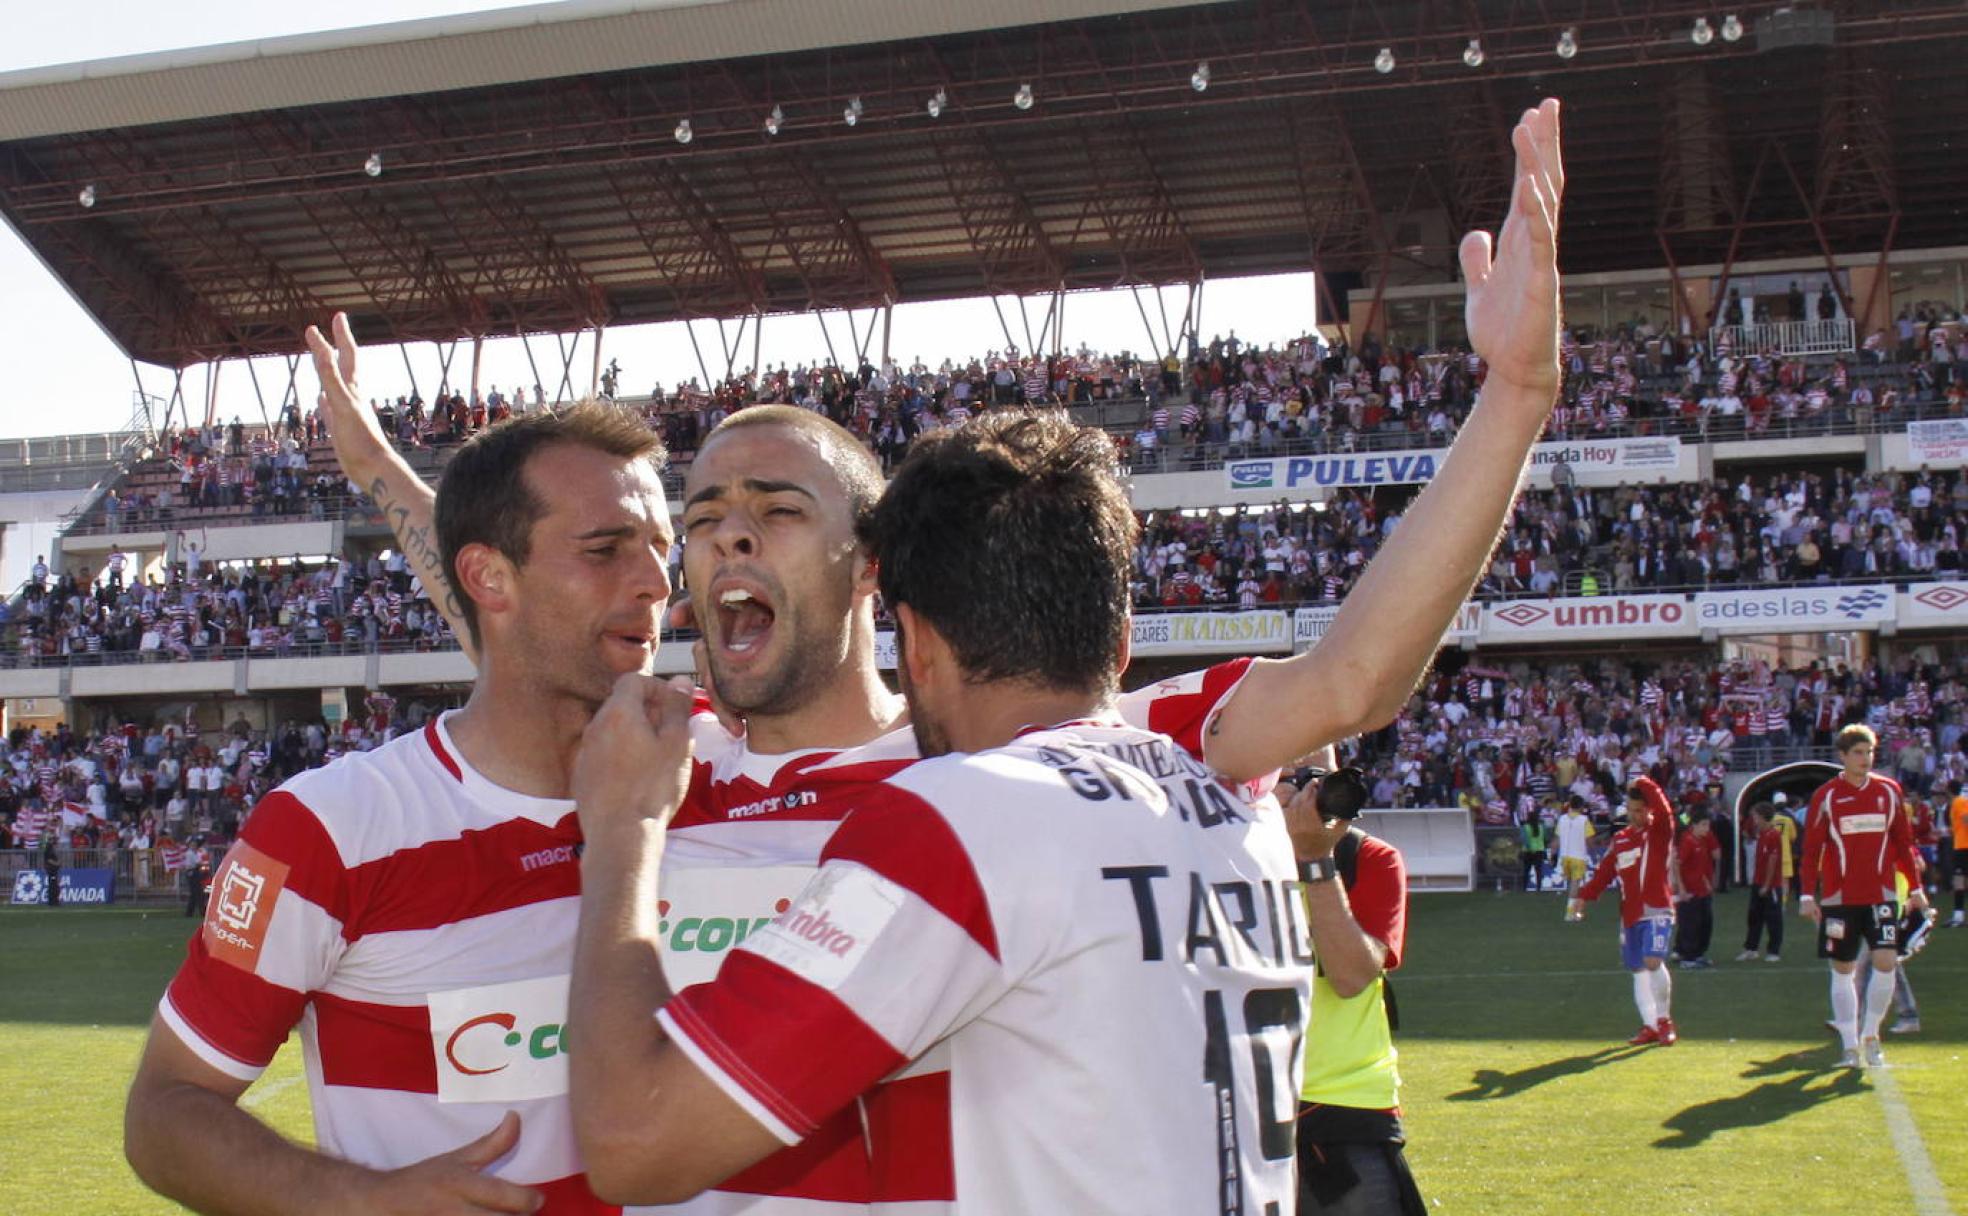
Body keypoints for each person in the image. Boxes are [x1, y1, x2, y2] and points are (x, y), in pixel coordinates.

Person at [563, 98, 1566, 1208]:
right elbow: (512, 602)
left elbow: (1348, 678)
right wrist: (1513, 399)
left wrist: (621, 840)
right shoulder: (661, 758)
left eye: (775, 508)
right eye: (701, 516)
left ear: (880, 584)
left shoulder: (1003, 780)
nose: (729, 534)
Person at [126, 403, 677, 1213]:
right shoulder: (334, 828)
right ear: (489, 577)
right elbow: (165, 1115)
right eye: (606, 551)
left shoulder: (719, 771)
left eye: (662, 550)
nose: (657, 584)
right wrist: (362, 1200)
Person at [1281, 760, 1421, 1216]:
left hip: (1342, 1107)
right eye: (1297, 782)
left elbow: (1351, 975)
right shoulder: (1222, 853)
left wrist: (1315, 859)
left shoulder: (1369, 858)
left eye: (1321, 782)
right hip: (1240, 1099)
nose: (1312, 797)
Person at [1799, 724, 1928, 1068]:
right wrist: (1807, 895)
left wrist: (1915, 889)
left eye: (1869, 752)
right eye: (1858, 752)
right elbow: (1811, 850)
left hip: (1881, 894)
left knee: (1885, 961)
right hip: (1839, 898)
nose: (1865, 759)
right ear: (1842, 756)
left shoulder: (1888, 792)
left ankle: (1872, 1035)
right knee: (1843, 968)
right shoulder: (1826, 796)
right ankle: (1849, 1045)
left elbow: (1903, 844)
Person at [1573, 778, 1678, 1046]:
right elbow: (1605, 872)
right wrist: (1584, 896)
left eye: (1640, 810)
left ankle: (1665, 1021)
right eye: (1631, 810)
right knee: (1638, 970)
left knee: (1653, 961)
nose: (1635, 815)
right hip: (1630, 914)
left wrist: (1645, 782)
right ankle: (1650, 1025)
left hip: (1656, 909)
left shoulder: (1659, 832)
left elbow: (1665, 811)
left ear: (1649, 810)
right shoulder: (1621, 840)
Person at [1736, 802, 1785, 962]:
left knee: (1773, 918)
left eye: (1756, 816)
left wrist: (1766, 884)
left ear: (1763, 817)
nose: (1754, 819)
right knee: (1754, 916)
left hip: (1771, 885)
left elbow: (1773, 860)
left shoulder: (1774, 835)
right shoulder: (1762, 834)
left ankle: (1773, 951)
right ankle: (1751, 948)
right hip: (1758, 882)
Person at [1672, 814, 1719, 968]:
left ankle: (1698, 954)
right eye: (1704, 825)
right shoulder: (1688, 841)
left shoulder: (1701, 841)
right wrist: (1682, 888)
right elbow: (1677, 864)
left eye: (1708, 825)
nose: (1707, 829)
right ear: (1695, 825)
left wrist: (1707, 882)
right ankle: (1687, 958)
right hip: (1690, 891)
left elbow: (1701, 866)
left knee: (1705, 923)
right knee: (1690, 924)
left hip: (1701, 890)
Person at [1555, 795, 1595, 921]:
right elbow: (1589, 839)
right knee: (1575, 884)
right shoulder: (1584, 820)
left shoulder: (1562, 819)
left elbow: (1557, 837)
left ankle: (1576, 911)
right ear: (1581, 807)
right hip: (1578, 855)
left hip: (1564, 855)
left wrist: (1553, 852)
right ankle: (1570, 912)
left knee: (1572, 884)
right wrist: (1593, 850)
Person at [1948, 779, 1968, 927]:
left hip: (1963, 847)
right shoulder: (1958, 802)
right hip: (1960, 845)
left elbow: (1966, 819)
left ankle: (1958, 916)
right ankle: (1958, 915)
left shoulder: (1959, 801)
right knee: (1960, 881)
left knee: (1959, 880)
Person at [1520, 809, 1549, 894]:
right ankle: (1539, 888)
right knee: (1539, 870)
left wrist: (1529, 848)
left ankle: (1524, 888)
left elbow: (1524, 839)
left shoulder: (1525, 827)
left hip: (1528, 851)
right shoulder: (1542, 826)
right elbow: (1545, 837)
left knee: (1526, 870)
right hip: (1539, 850)